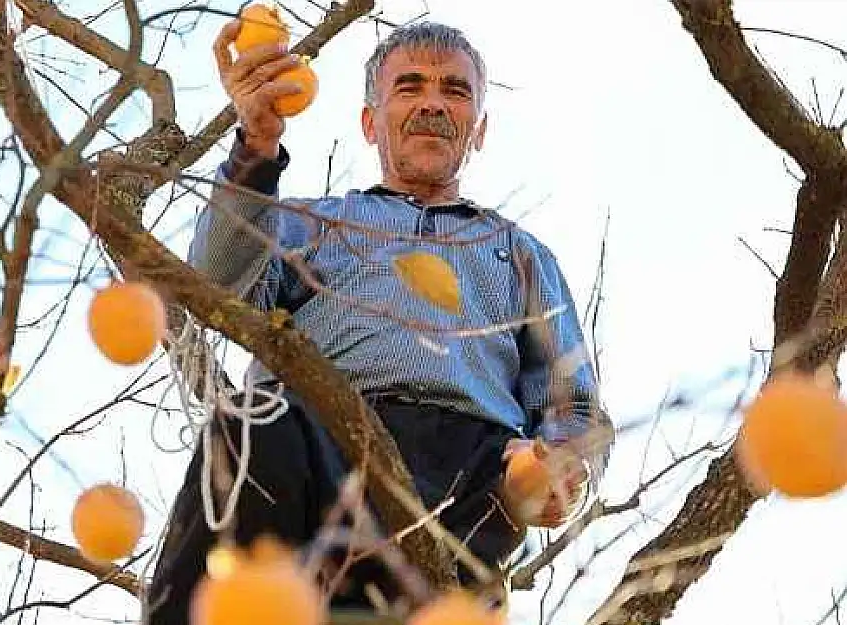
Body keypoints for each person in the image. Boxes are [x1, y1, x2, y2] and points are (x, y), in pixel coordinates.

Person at [145, 19, 613, 624]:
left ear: (480, 129)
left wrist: (561, 467)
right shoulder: (313, 224)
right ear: (371, 122)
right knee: (245, 426)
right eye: (409, 87)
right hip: (322, 439)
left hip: (469, 473)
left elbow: (573, 405)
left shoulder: (521, 255)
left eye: (455, 90)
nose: (432, 104)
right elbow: (216, 282)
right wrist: (255, 146)